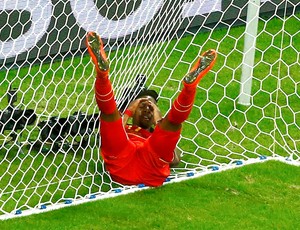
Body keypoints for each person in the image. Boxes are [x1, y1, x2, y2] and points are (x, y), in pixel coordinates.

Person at [86, 31, 217, 187]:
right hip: (126, 156)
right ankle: (102, 74)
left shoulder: (155, 136)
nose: (147, 108)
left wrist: (159, 121)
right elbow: (109, 135)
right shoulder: (125, 127)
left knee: (173, 122)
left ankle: (190, 87)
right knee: (109, 113)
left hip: (145, 162)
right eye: (142, 106)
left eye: (151, 107)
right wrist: (128, 112)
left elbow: (174, 159)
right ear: (134, 110)